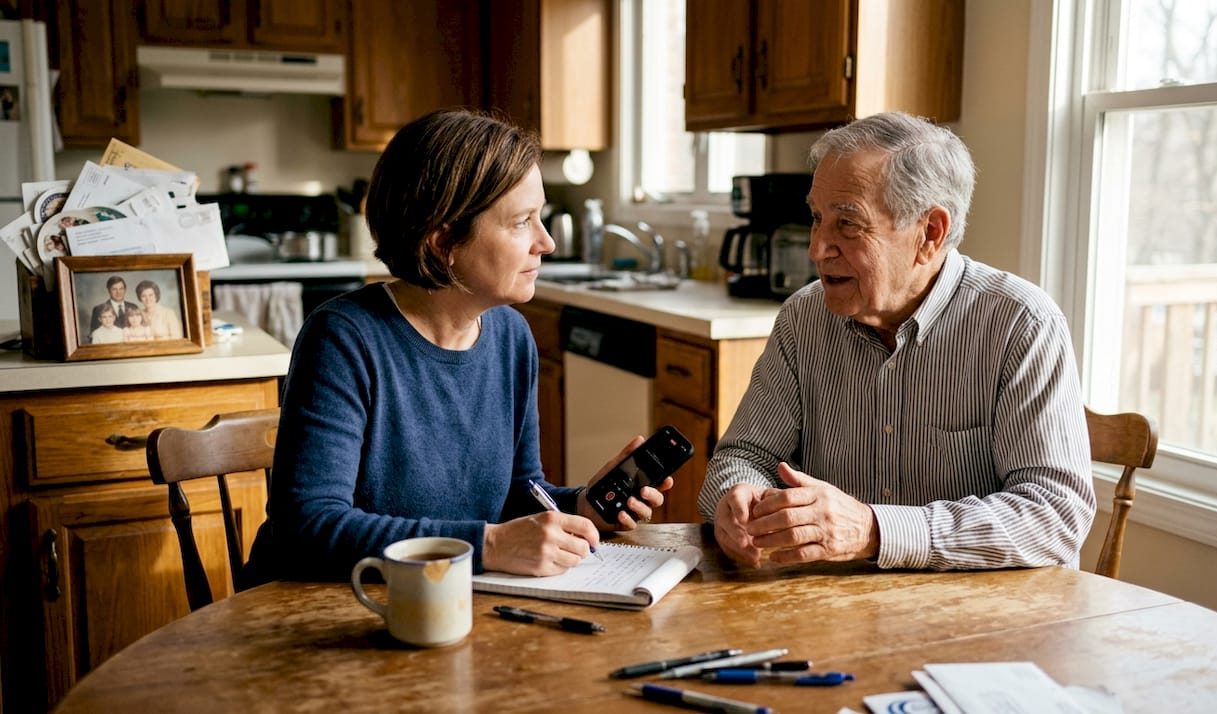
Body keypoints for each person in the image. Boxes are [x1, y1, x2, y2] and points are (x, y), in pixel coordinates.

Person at [244, 108, 671, 583]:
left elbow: (515, 492)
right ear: (443, 241)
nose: (546, 243)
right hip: (322, 608)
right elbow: (308, 525)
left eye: (541, 218)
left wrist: (582, 506)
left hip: (438, 598)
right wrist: (488, 545)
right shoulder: (344, 337)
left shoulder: (511, 335)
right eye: (521, 222)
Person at [697, 112, 1095, 572]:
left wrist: (874, 530)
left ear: (930, 234)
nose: (816, 248)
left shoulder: (1020, 324)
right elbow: (745, 455)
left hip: (982, 621)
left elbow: (1055, 514)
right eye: (816, 218)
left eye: (847, 224)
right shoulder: (803, 318)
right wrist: (736, 496)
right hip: (837, 607)